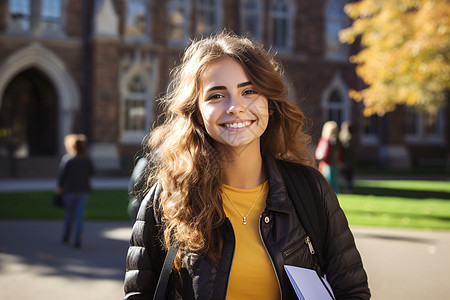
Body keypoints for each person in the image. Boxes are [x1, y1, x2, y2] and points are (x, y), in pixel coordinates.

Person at [124, 31, 370, 299]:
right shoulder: (166, 200)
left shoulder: (310, 190)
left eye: (249, 91)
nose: (235, 107)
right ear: (196, 112)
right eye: (216, 95)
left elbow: (351, 291)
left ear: (270, 104)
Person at [57, 134, 94, 249]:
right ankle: (77, 241)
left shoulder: (67, 159)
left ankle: (66, 237)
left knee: (69, 215)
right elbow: (92, 172)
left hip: (69, 191)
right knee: (79, 216)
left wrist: (59, 187)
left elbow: (61, 176)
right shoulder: (86, 159)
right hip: (83, 191)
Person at [315, 120, 341, 193]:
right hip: (331, 164)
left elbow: (321, 154)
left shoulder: (326, 140)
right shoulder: (333, 141)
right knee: (331, 182)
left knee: (327, 182)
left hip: (328, 164)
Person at [339, 121, 356, 193]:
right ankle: (348, 188)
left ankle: (348, 188)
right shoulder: (344, 135)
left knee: (348, 175)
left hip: (347, 160)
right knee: (347, 175)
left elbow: (347, 148)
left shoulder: (348, 137)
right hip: (347, 160)